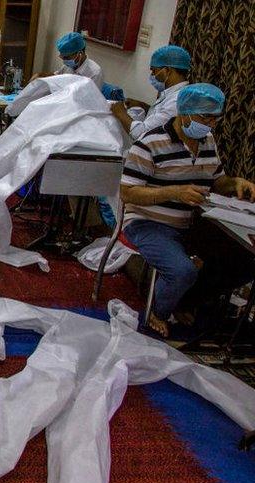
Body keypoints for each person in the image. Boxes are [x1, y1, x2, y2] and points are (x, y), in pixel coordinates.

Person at [120, 83, 255, 337]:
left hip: (191, 222)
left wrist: (236, 183)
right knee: (183, 270)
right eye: (205, 117)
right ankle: (158, 311)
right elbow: (127, 192)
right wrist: (173, 192)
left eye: (215, 118)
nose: (211, 124)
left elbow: (216, 181)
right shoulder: (150, 143)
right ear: (184, 112)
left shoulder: (207, 141)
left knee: (245, 262)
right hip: (148, 221)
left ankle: (185, 300)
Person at [111, 45, 191, 140]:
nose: (153, 75)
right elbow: (163, 116)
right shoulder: (175, 93)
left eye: (154, 71)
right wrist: (144, 106)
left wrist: (120, 112)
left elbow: (140, 134)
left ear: (168, 70)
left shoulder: (177, 101)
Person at [31, 32, 103, 88]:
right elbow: (56, 76)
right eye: (62, 57)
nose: (64, 62)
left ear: (80, 53)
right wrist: (40, 75)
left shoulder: (94, 73)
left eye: (67, 58)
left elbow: (90, 100)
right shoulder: (69, 66)